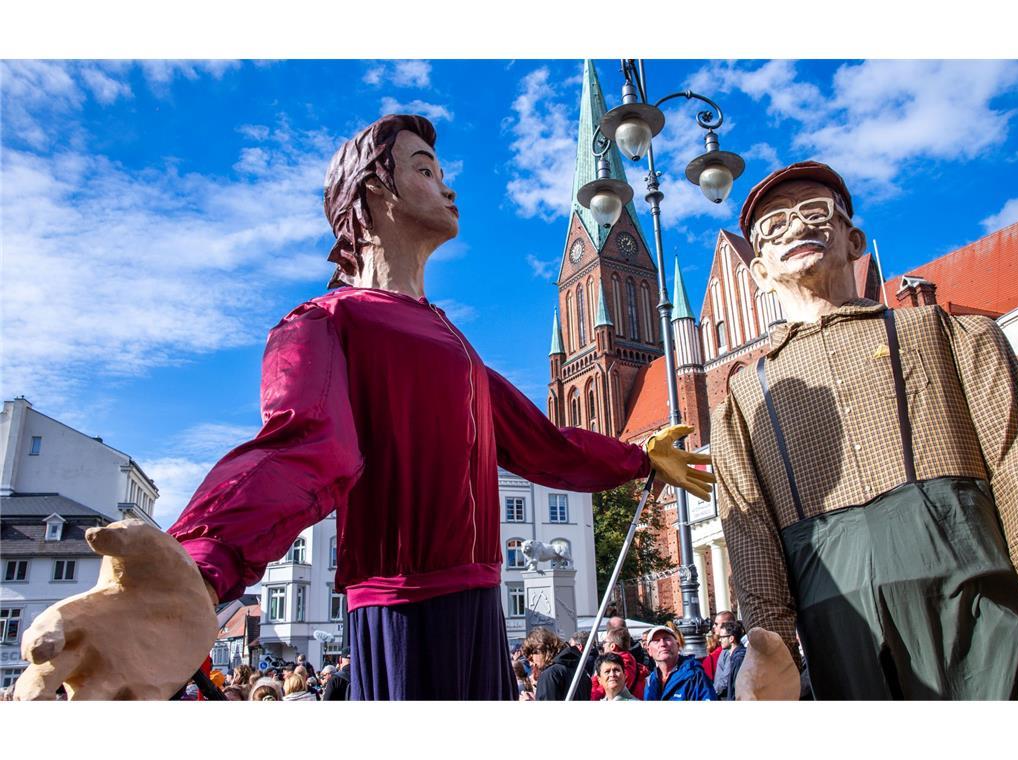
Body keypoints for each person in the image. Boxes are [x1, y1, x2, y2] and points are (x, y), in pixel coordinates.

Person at [12, 114, 714, 703]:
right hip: (406, 611)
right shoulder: (324, 321)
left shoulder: (453, 341)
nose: (448, 183)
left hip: (474, 605)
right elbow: (304, 446)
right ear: (373, 191)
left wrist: (636, 455)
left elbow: (540, 443)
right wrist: (195, 567)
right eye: (425, 167)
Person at [713, 161, 1018, 700]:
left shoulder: (952, 335)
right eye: (772, 229)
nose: (795, 228)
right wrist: (769, 640)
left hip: (976, 595)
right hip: (842, 625)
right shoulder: (745, 399)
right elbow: (751, 534)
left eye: (814, 213)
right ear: (760, 273)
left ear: (853, 237)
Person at [642, 625, 715, 701]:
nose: (662, 644)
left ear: (677, 645)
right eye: (656, 641)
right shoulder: (651, 680)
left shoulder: (694, 675)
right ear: (649, 651)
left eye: (667, 638)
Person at [519, 627, 591, 701]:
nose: (531, 664)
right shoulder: (580, 670)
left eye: (531, 659)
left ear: (541, 650)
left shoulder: (550, 674)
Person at [589, 625, 648, 700]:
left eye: (604, 642)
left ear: (612, 646)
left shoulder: (622, 665)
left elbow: (599, 694)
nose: (603, 645)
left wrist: (595, 678)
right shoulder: (629, 662)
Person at [716, 622, 747, 701]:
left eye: (722, 637)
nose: (720, 640)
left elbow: (737, 689)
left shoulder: (739, 659)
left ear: (731, 638)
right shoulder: (736, 656)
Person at [702, 610, 736, 682]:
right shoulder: (718, 649)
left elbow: (725, 680)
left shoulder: (729, 650)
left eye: (716, 624)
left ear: (726, 625)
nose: (713, 626)